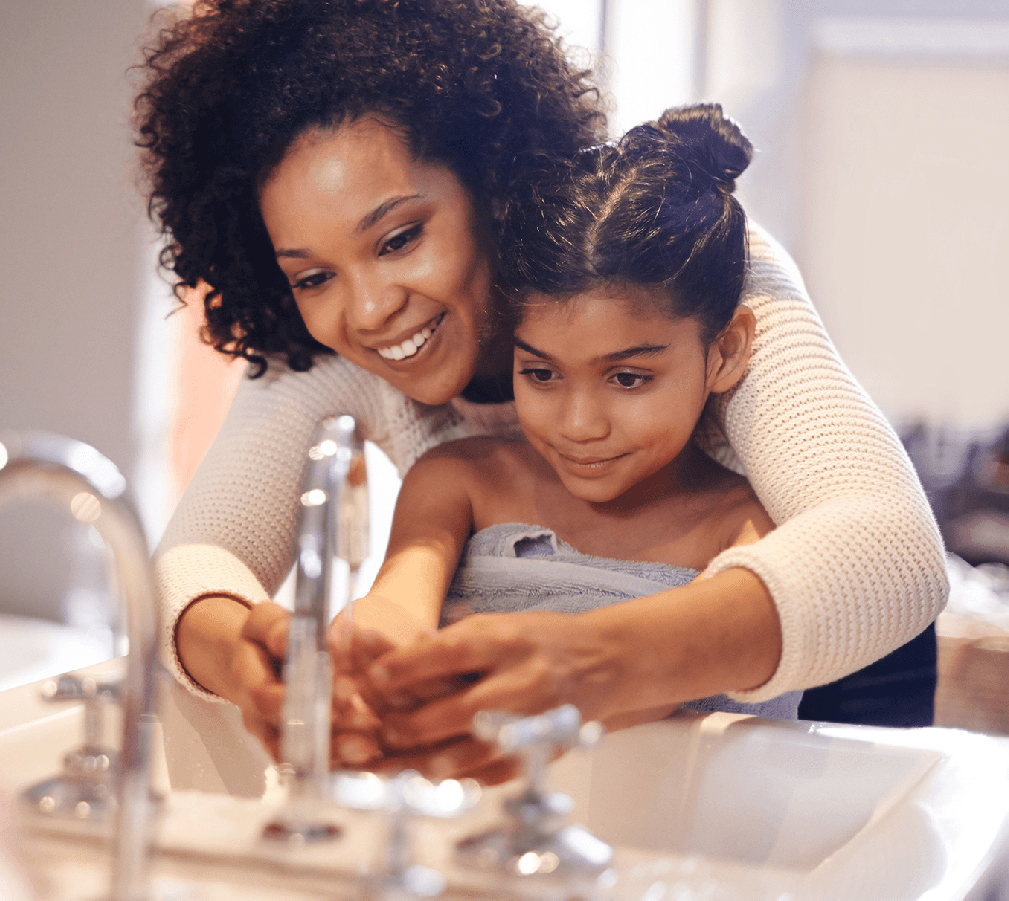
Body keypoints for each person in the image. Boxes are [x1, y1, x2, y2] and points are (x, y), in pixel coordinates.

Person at [136, 0, 945, 778]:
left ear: (492, 179)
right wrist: (252, 664)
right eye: (312, 274)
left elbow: (895, 549)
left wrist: (592, 659)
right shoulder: (336, 340)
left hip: (832, 665)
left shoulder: (669, 265)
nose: (370, 307)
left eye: (401, 237)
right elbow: (195, 560)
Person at [339, 105, 797, 775]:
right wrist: (368, 651)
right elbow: (396, 603)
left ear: (725, 350)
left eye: (630, 376)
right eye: (542, 372)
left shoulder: (751, 524)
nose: (580, 423)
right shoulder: (460, 481)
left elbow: (688, 675)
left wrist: (569, 672)